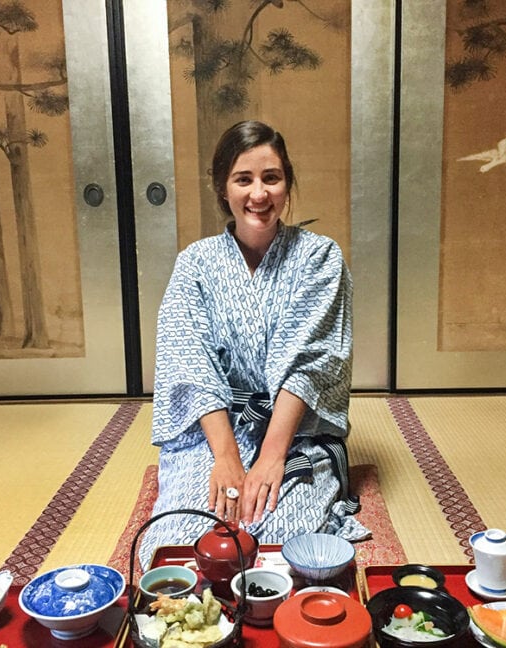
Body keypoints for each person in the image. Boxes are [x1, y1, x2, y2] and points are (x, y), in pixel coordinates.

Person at [137, 120, 369, 568]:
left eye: (271, 178)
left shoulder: (320, 257)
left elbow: (311, 365)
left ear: (287, 183)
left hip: (296, 433)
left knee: (286, 542)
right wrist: (226, 457)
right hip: (215, 431)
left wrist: (270, 458)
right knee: (184, 538)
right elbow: (189, 363)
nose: (258, 194)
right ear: (223, 188)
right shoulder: (196, 264)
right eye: (243, 179)